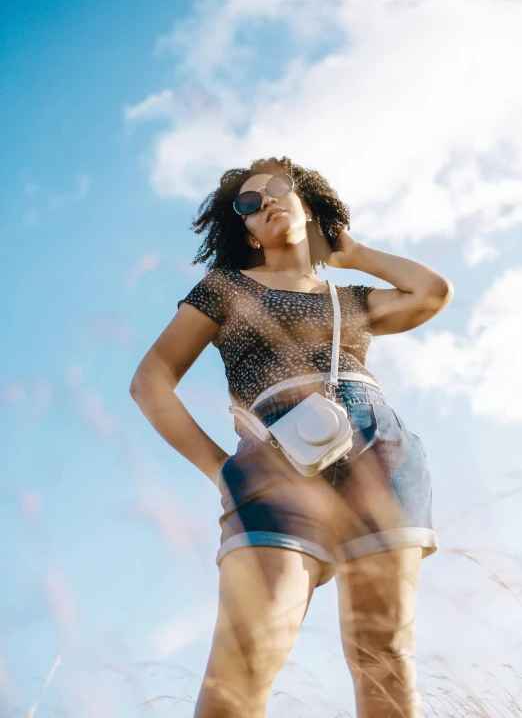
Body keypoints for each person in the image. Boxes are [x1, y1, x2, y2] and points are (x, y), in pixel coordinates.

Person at [130, 156, 453, 718]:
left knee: (386, 652)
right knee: (249, 653)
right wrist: (222, 471)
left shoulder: (350, 298)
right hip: (270, 454)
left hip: (379, 446)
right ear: (246, 229)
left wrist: (352, 254)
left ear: (306, 200)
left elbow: (431, 291)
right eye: (248, 204)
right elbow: (151, 382)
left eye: (278, 189)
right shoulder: (224, 288)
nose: (265, 202)